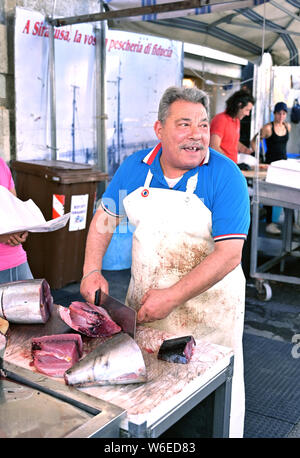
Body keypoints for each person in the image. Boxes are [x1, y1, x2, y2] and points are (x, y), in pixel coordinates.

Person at [80, 86, 250, 437]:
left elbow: (229, 254)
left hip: (209, 319)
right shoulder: (134, 170)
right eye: (184, 124)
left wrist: (172, 297)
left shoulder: (225, 175)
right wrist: (91, 270)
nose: (196, 135)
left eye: (202, 125)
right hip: (143, 313)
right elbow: (105, 221)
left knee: (204, 416)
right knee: (143, 410)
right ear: (160, 130)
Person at [250, 101, 300, 236]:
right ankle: (269, 223)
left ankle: (292, 223)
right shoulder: (268, 128)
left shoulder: (287, 127)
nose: (281, 116)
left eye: (284, 114)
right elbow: (254, 141)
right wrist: (259, 157)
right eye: (279, 113)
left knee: (288, 194)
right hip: (271, 165)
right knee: (270, 194)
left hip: (283, 165)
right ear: (274, 114)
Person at [0, 157, 33, 284]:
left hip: (17, 260)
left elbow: (15, 210)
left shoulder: (1, 164)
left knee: (35, 304)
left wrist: (21, 231)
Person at [210, 89, 255, 163]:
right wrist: (230, 164)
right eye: (247, 110)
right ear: (239, 105)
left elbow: (233, 142)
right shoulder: (221, 119)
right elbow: (214, 147)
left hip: (231, 166)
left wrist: (248, 151)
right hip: (222, 167)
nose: (248, 114)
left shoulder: (236, 120)